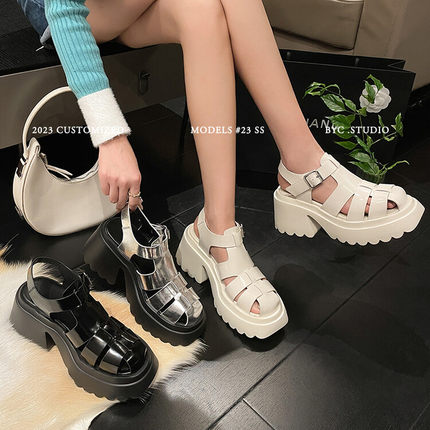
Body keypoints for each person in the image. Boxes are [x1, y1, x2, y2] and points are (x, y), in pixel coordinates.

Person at [19, 0, 424, 338]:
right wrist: (110, 137)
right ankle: (303, 171)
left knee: (203, 11)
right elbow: (63, 9)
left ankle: (219, 227)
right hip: (64, 9)